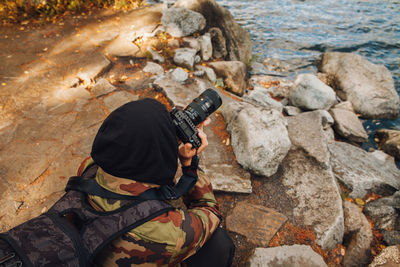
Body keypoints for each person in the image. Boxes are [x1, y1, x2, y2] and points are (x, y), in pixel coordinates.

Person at [77, 98, 235, 266]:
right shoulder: (170, 234)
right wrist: (189, 164)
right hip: (155, 240)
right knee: (220, 245)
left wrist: (166, 139)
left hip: (86, 251)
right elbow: (209, 210)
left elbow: (134, 148)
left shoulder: (89, 168)